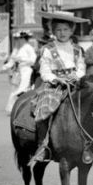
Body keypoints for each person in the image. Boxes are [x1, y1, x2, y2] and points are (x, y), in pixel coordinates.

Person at [31, 11, 88, 164]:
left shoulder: (77, 49)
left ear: (71, 30)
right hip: (54, 86)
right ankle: (42, 145)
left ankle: (92, 141)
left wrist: (76, 76)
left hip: (75, 84)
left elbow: (81, 68)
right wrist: (57, 79)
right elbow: (44, 71)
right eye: (58, 30)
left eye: (65, 29)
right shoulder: (47, 49)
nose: (62, 33)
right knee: (45, 108)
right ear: (53, 31)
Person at [3, 31, 37, 115]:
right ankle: (11, 108)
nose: (19, 40)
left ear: (25, 39)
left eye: (21, 38)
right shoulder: (17, 48)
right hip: (18, 71)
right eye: (18, 39)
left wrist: (23, 61)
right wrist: (5, 67)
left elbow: (33, 59)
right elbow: (12, 60)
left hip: (26, 70)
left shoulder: (28, 47)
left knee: (23, 88)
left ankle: (20, 106)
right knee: (15, 88)